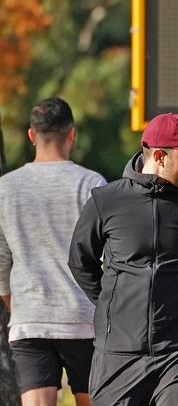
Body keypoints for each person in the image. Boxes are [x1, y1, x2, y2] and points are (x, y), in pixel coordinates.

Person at [68, 112, 178, 405]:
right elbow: (81, 260)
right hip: (117, 354)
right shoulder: (105, 200)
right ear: (159, 156)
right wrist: (112, 305)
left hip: (176, 352)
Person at [0, 98, 106, 406]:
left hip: (30, 319)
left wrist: (15, 305)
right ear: (71, 134)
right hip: (83, 319)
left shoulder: (6, 188)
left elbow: (1, 262)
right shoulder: (91, 184)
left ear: (31, 135)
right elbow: (107, 255)